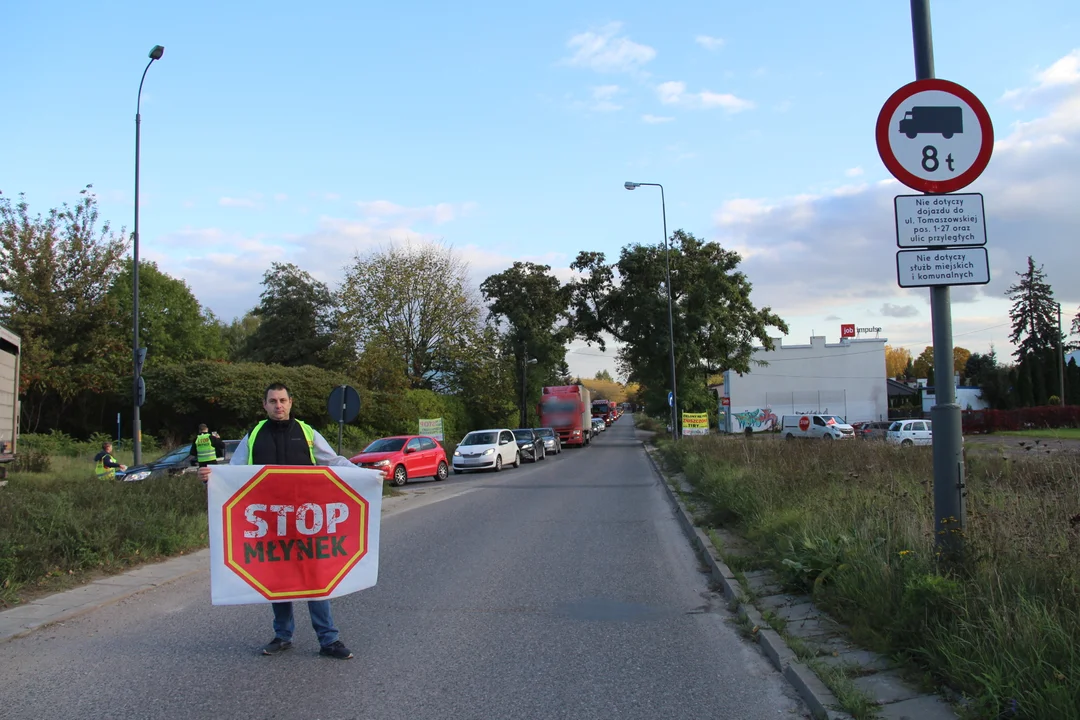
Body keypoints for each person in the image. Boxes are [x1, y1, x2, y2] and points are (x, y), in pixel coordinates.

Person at [199, 383, 358, 660]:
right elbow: (235, 471)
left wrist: (365, 475)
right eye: (272, 401)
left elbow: (334, 462)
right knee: (278, 580)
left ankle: (328, 640)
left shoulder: (308, 433)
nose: (278, 405)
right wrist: (213, 477)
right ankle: (283, 636)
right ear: (265, 405)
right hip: (271, 523)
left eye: (282, 400)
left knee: (315, 580)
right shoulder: (254, 435)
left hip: (307, 521)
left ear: (291, 402)